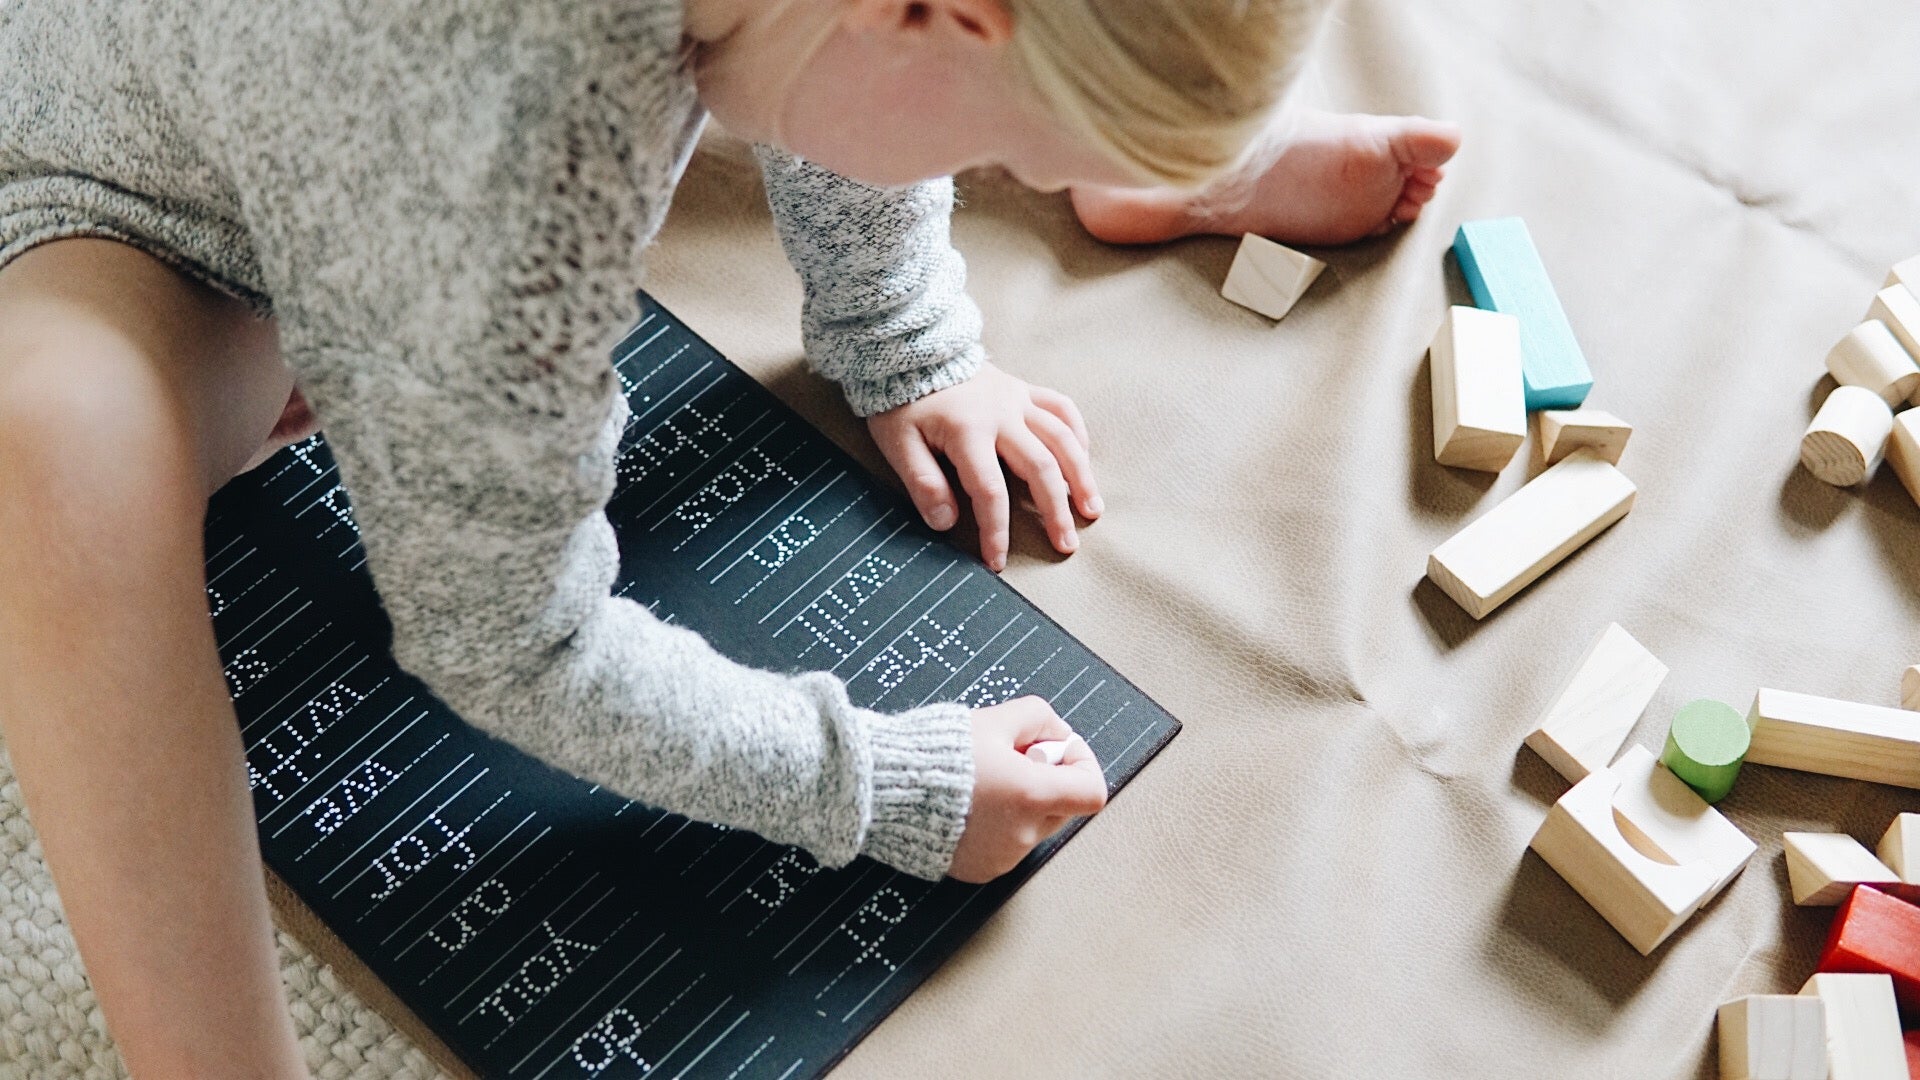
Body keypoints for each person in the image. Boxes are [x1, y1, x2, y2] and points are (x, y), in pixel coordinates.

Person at [0, 0, 1458, 1072]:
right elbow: (511, 639)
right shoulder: (525, 134)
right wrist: (877, 784)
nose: (962, 169)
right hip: (110, 209)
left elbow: (816, 63)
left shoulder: (801, 42)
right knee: (54, 460)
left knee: (783, 84)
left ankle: (1122, 146)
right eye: (994, 140)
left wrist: (905, 331)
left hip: (321, 134)